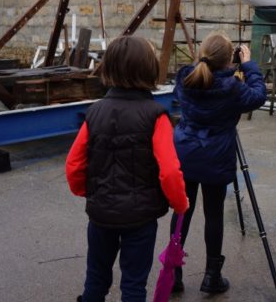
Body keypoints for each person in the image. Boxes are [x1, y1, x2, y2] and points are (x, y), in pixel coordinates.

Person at [66, 36, 189, 302]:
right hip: (140, 218)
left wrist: (87, 192)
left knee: (96, 277)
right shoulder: (156, 116)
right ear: (148, 69)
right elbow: (169, 171)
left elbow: (74, 163)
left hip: (100, 214)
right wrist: (180, 203)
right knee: (134, 284)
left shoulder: (94, 112)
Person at [169, 33, 267, 294]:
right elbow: (258, 96)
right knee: (213, 215)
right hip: (216, 155)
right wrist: (248, 65)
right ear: (228, 60)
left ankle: (173, 273)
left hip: (186, 153)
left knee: (182, 212)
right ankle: (212, 277)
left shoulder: (185, 78)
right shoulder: (232, 88)